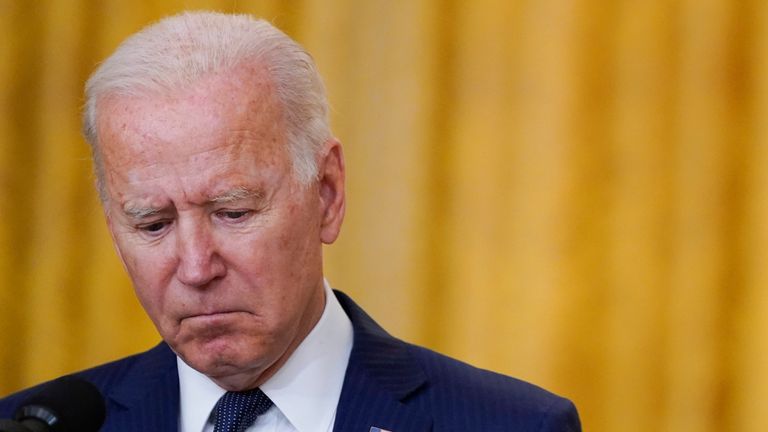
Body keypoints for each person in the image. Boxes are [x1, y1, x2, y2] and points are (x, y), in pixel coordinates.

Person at [0, 11, 581, 432]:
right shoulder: (37, 426)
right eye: (152, 224)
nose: (196, 268)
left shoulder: (509, 425)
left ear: (326, 194)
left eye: (232, 212)